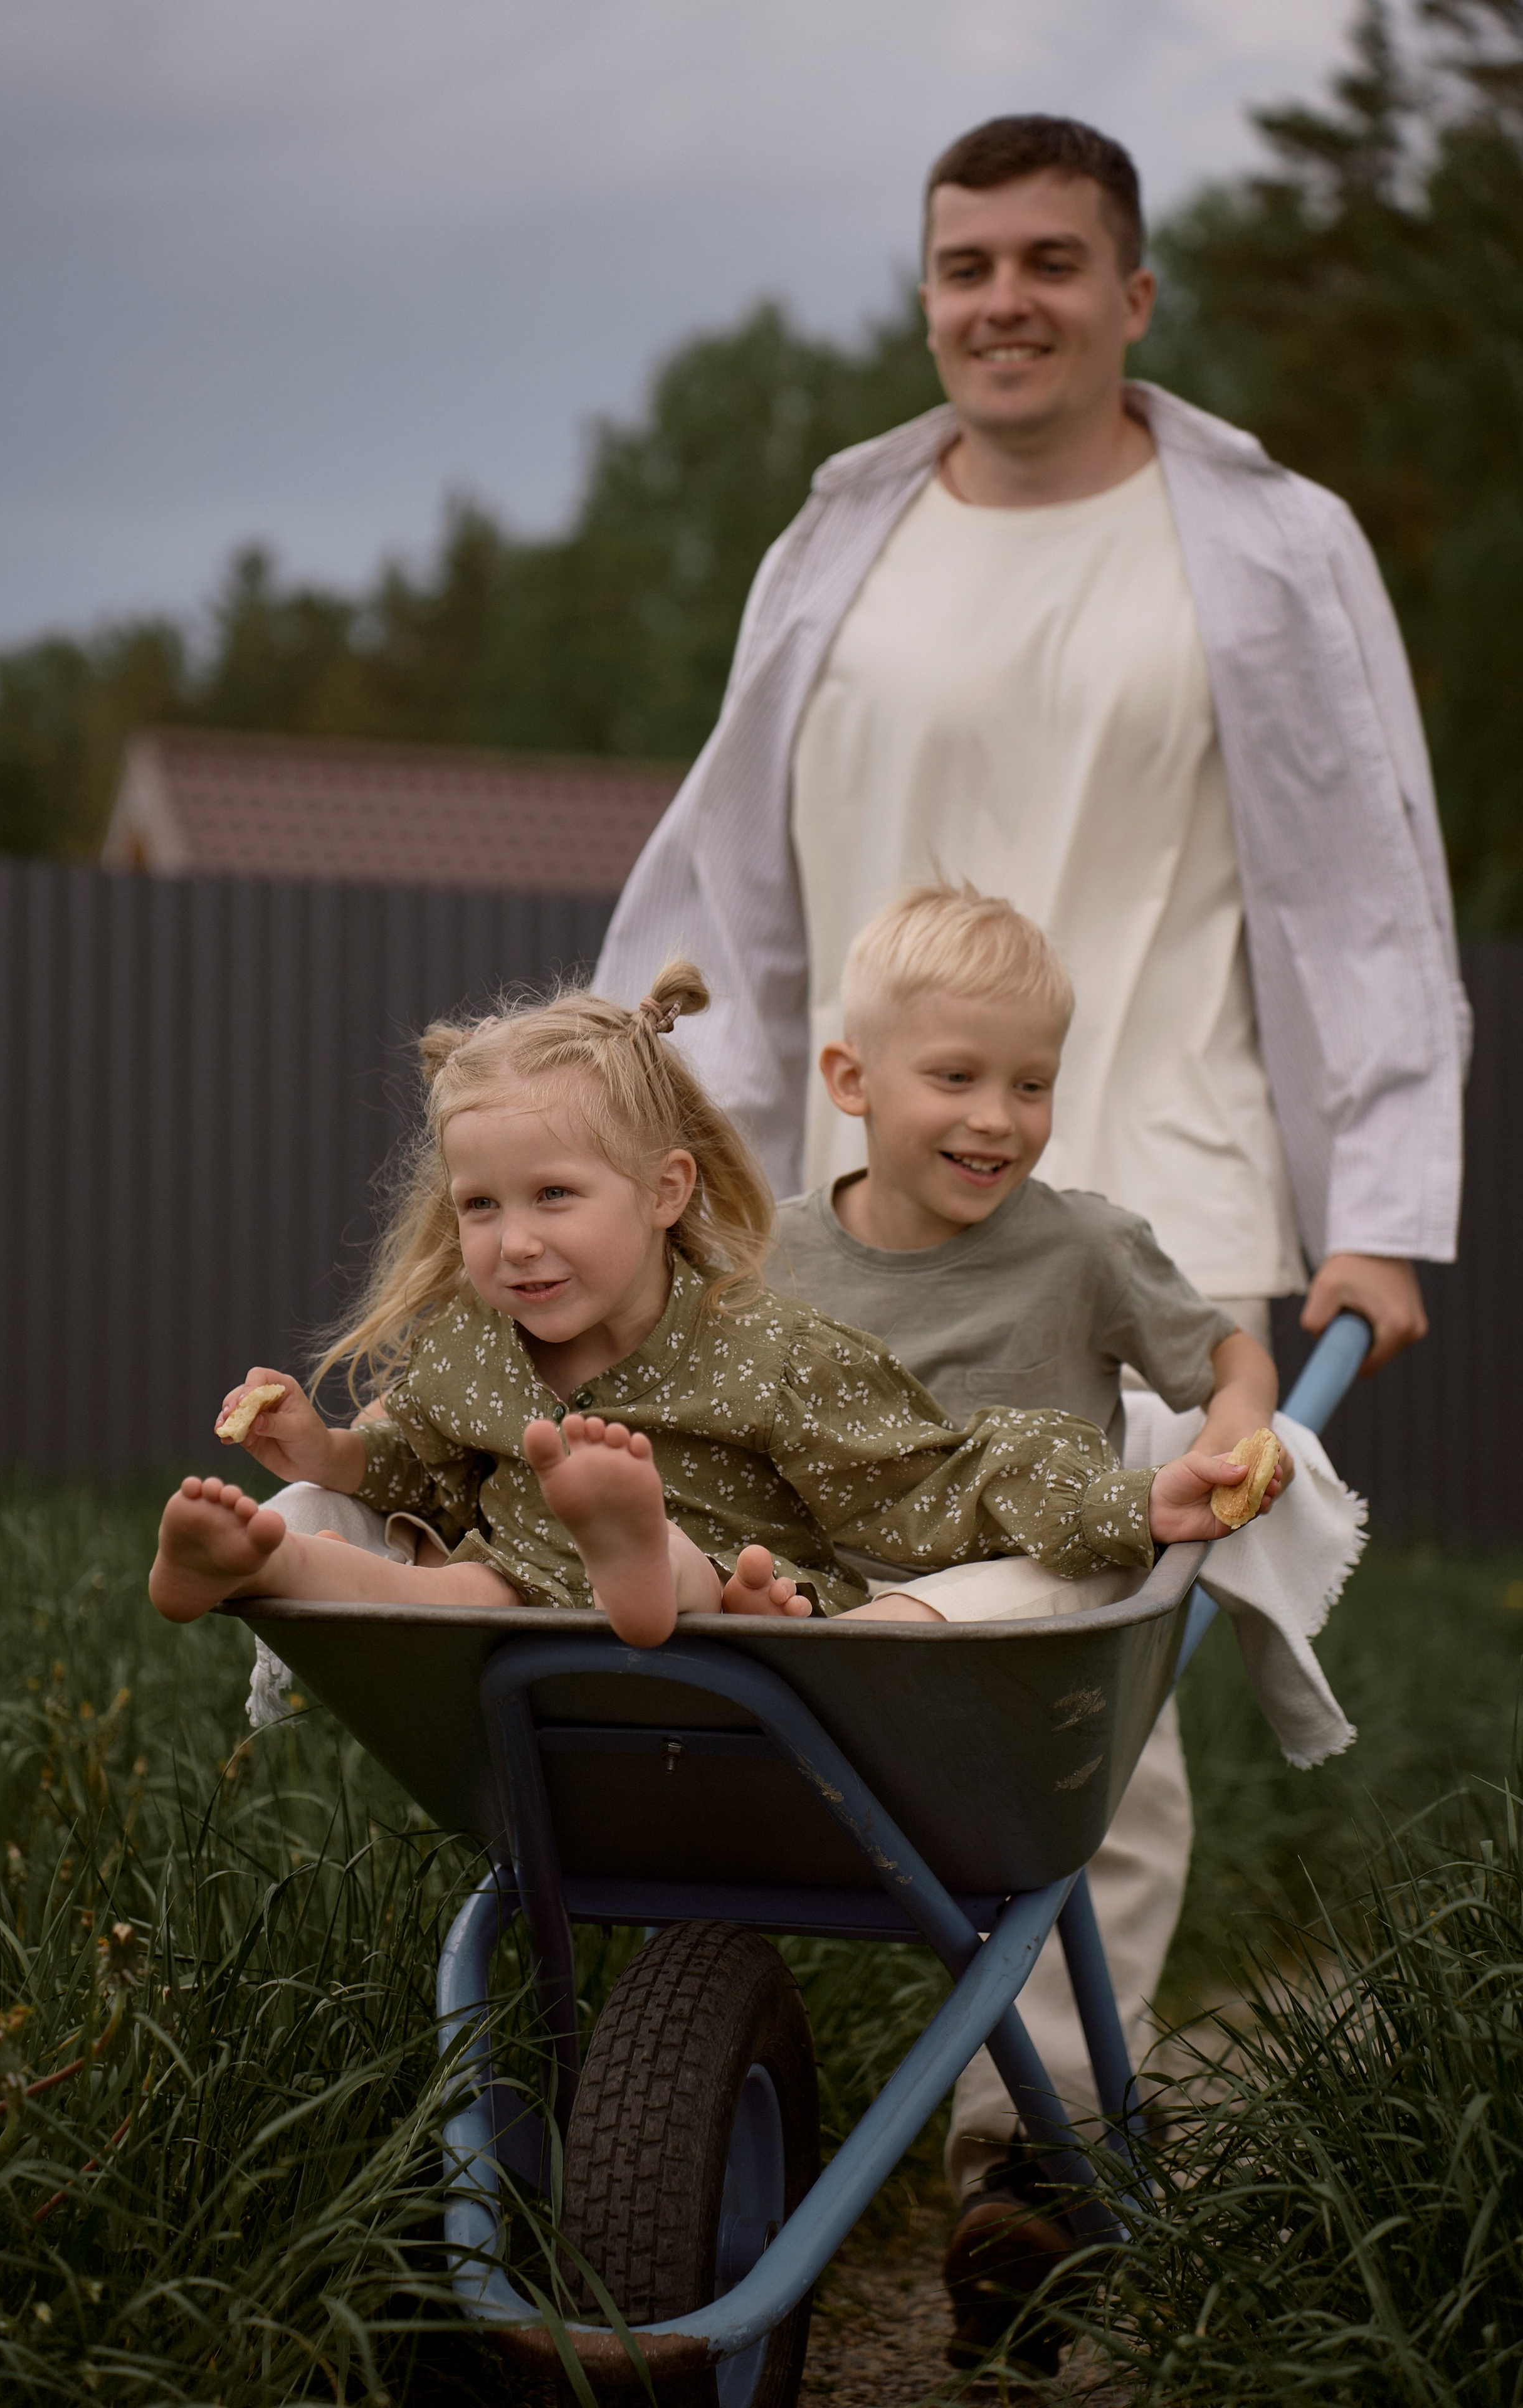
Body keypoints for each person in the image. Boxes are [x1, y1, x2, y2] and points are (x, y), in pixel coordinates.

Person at [596, 107, 1464, 2363]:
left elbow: (1371, 874)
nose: (1007, 299)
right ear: (927, 293)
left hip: (1147, 1138)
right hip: (844, 1180)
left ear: (1135, 295)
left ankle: (1035, 2157)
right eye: (968, 262)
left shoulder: (1262, 545)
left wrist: (1382, 1209)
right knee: (753, 1602)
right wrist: (639, 1119)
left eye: (1054, 262)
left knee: (1092, 1665)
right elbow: (722, 867)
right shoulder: (843, 543)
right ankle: (717, 2044)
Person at [766, 880, 1309, 2367]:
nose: (996, 1118)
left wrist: (1238, 1433)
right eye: (955, 1078)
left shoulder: (1077, 1249)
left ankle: (1025, 2172)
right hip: (824, 1623)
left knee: (1109, 1818)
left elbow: (1221, 1355)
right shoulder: (773, 1261)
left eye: (1030, 1084)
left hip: (1023, 1614)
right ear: (849, 1080)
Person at [149, 964, 1268, 1645]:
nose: (514, 1240)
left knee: (685, 1577)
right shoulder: (471, 1354)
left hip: (737, 1607)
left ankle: (642, 1555)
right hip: (522, 1601)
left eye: (554, 1196)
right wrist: (327, 1458)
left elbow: (930, 1478)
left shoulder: (764, 1351)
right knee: (434, 1589)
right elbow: (427, 1472)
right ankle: (260, 1570)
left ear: (663, 1192)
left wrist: (1134, 1505)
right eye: (480, 1206)